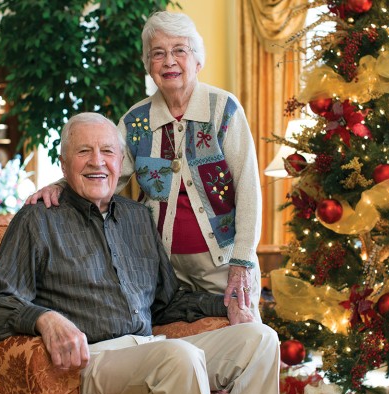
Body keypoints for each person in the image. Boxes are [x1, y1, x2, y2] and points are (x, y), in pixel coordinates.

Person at [0, 112, 280, 394]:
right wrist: (44, 318)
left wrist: (225, 304)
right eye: (84, 151)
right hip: (93, 359)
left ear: (120, 163)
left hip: (152, 347)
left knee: (261, 340)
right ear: (63, 165)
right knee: (178, 357)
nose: (97, 161)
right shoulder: (37, 219)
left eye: (107, 151)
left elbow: (166, 303)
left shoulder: (137, 217)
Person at [26, 11, 263, 320]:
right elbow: (106, 171)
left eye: (179, 50)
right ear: (148, 65)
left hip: (223, 264)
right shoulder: (136, 121)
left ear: (197, 60)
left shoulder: (223, 109)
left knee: (242, 339)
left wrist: (242, 262)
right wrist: (58, 186)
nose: (169, 61)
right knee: (178, 352)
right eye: (158, 54)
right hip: (162, 268)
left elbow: (248, 186)